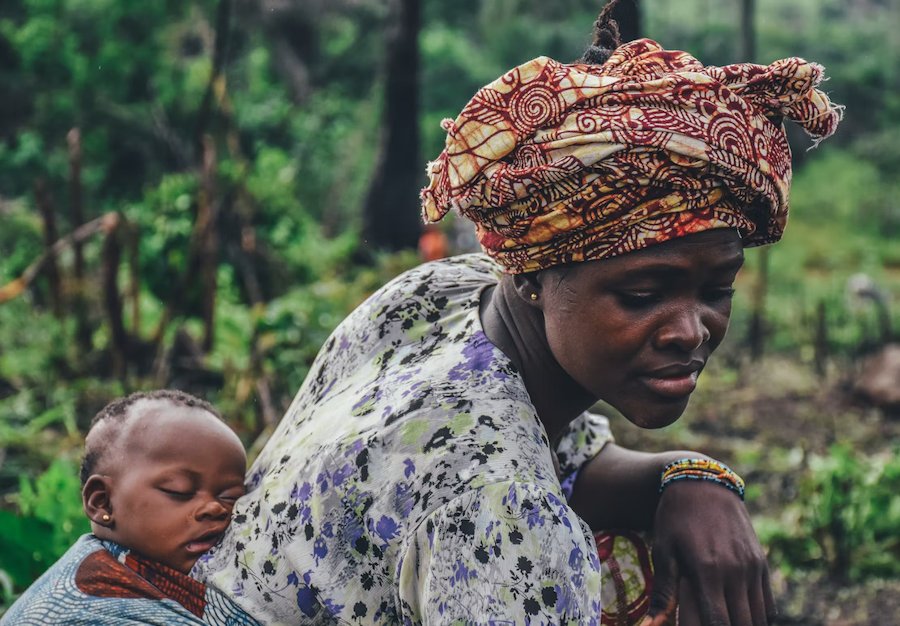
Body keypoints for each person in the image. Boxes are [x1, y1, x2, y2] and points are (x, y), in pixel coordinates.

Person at [193, 2, 841, 625]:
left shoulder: (440, 296)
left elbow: (566, 457)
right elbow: (505, 475)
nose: (689, 330)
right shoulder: (503, 518)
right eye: (642, 295)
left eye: (717, 289)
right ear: (533, 275)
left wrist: (695, 477)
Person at [1, 390, 260, 625]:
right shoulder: (88, 611)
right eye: (179, 490)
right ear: (102, 502)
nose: (214, 507)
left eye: (230, 495)